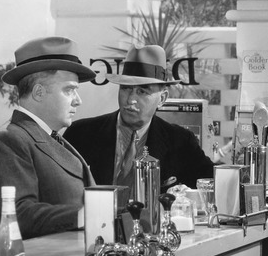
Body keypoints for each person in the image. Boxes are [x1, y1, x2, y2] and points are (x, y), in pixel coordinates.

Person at [0, 36, 96, 239]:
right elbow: (20, 215)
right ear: (39, 92)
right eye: (69, 90)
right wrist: (87, 215)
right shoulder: (8, 141)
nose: (78, 101)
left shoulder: (51, 138)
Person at [64, 45, 214, 194]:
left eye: (142, 91)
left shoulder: (181, 142)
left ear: (162, 98)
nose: (131, 100)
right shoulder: (80, 134)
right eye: (125, 88)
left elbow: (213, 183)